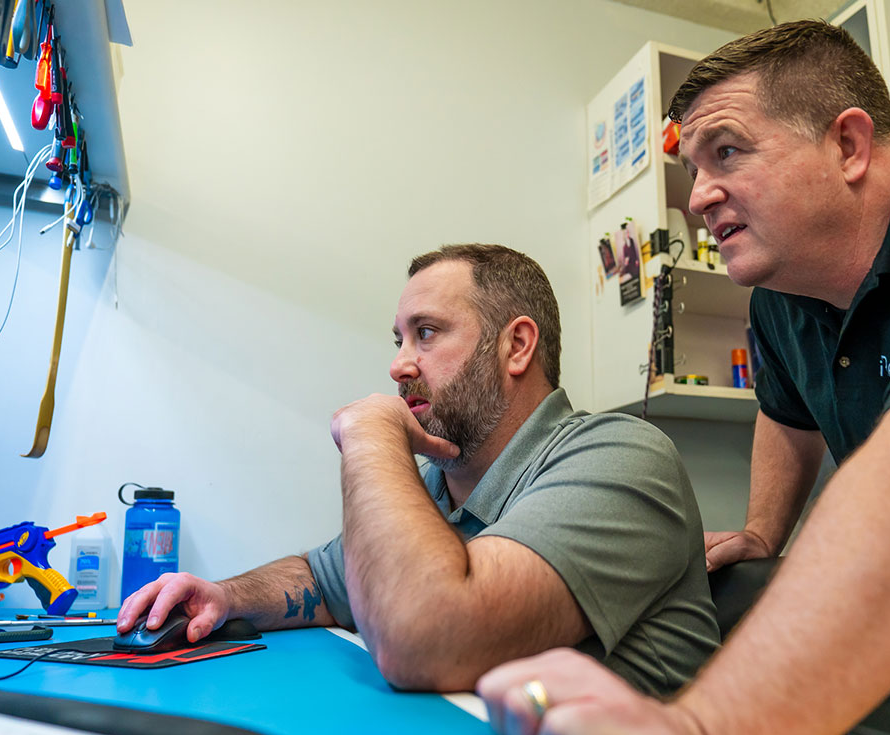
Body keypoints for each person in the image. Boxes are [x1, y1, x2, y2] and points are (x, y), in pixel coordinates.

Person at [477, 21, 890, 735]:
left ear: (848, 145)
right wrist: (767, 527)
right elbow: (787, 409)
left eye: (726, 152)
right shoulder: (783, 301)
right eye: (693, 168)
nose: (698, 196)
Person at [118, 243, 719, 696]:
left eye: (425, 334)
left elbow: (425, 639)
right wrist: (226, 595)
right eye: (399, 339)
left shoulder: (622, 458)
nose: (398, 365)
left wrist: (371, 433)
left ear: (517, 346)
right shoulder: (439, 485)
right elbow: (324, 578)